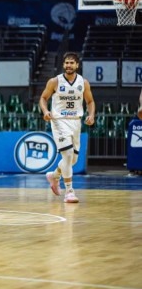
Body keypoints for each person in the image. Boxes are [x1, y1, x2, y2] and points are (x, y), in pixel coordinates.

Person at [39, 52, 95, 203]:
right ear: (63, 65)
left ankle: (54, 176)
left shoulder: (83, 82)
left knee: (73, 160)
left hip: (75, 121)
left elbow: (90, 101)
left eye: (72, 63)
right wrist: (46, 111)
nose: (68, 65)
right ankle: (69, 191)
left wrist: (91, 115)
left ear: (77, 65)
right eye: (66, 63)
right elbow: (43, 98)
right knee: (68, 154)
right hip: (59, 120)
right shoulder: (54, 81)